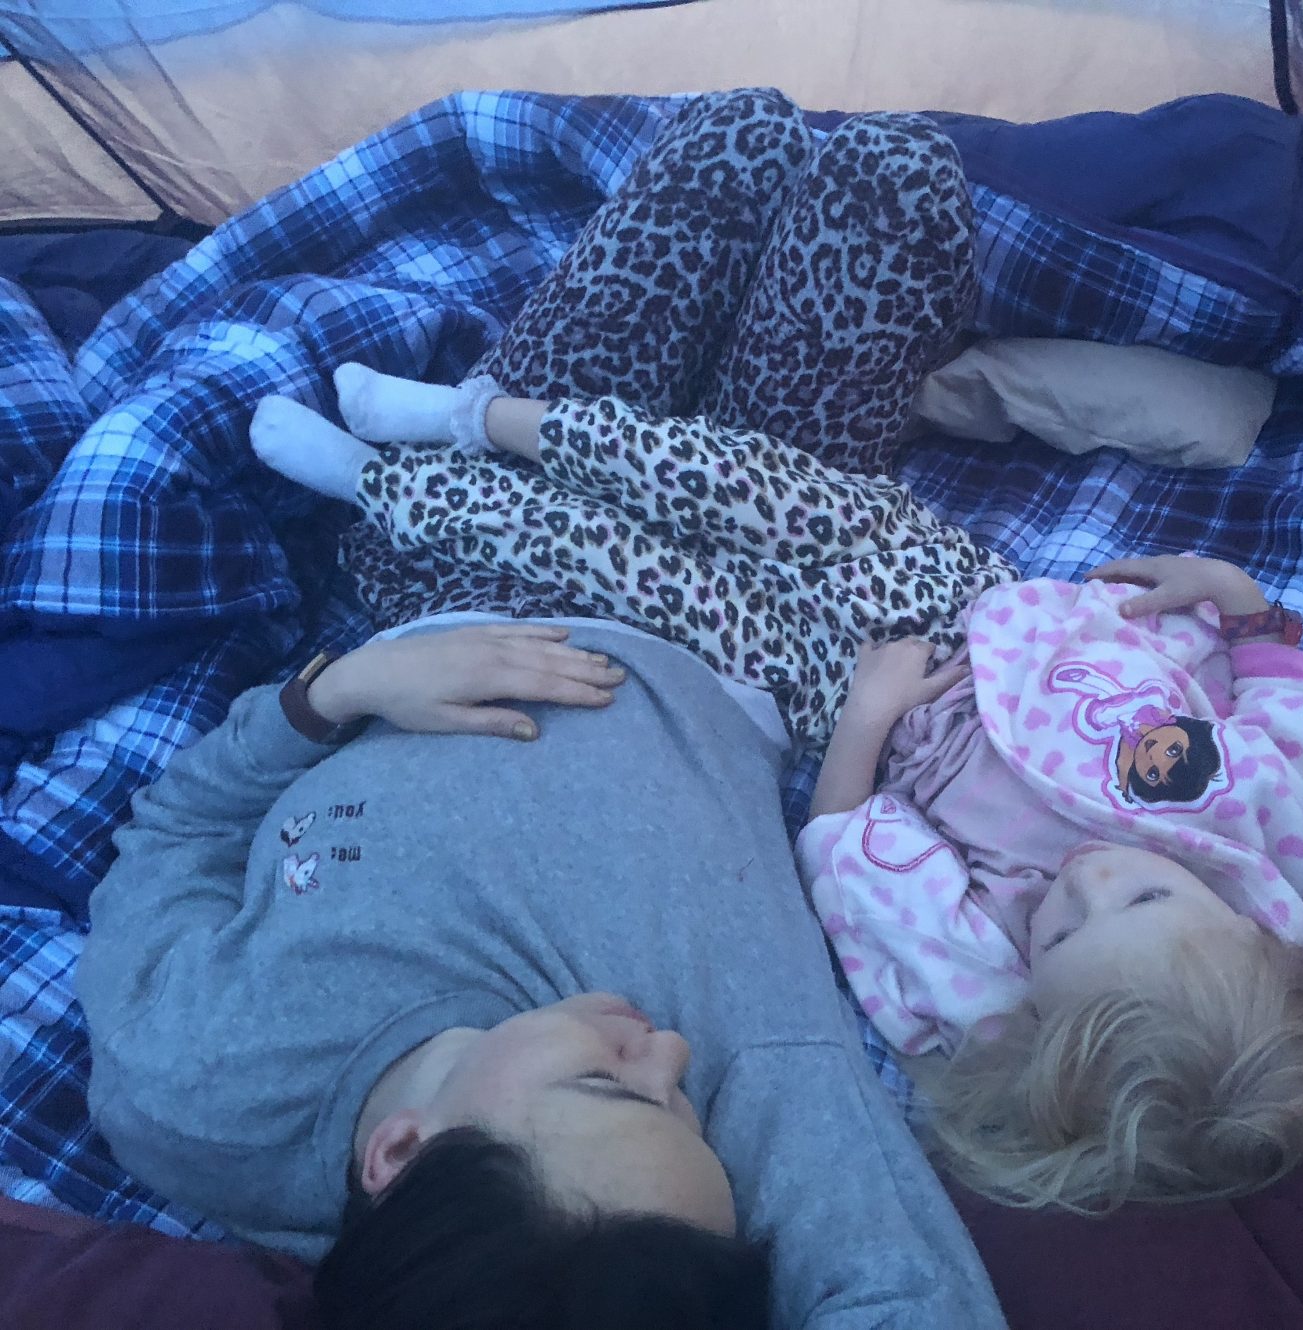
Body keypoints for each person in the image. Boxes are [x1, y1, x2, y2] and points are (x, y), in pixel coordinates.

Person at [78, 90, 1008, 1330]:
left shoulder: (192, 1089)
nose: (670, 1056)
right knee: (887, 173)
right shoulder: (742, 1060)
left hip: (464, 548)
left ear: (398, 1152)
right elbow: (906, 1298)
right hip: (738, 600)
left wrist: (335, 690)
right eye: (691, 1117)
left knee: (732, 138)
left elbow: (170, 836)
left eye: (618, 1089)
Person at [798, 553, 1303, 1212]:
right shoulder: (1298, 854)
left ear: (1036, 1008)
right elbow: (1292, 710)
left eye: (1061, 936)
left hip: (890, 686)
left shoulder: (985, 986)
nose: (1088, 877)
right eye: (1146, 896)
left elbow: (842, 848)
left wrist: (868, 714)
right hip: (1002, 603)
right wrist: (1234, 594)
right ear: (1252, 930)